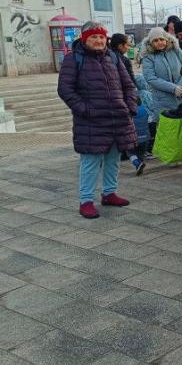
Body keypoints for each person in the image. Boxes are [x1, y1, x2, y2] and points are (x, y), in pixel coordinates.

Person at [57, 22, 138, 219]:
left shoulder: (114, 57)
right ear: (85, 39)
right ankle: (86, 201)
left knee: (113, 158)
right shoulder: (73, 59)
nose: (99, 41)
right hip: (91, 121)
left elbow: (129, 85)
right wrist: (85, 109)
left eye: (102, 37)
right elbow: (65, 89)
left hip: (117, 118)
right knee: (90, 161)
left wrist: (130, 107)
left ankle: (109, 193)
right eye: (94, 37)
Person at [141, 27, 182, 150]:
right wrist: (173, 88)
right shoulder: (148, 57)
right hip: (163, 100)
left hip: (181, 96)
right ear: (151, 43)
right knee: (167, 130)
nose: (159, 42)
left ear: (166, 39)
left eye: (161, 39)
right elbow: (151, 78)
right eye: (155, 40)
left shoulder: (175, 50)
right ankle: (169, 155)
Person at [110, 33, 146, 175]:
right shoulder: (123, 60)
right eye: (127, 44)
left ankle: (134, 160)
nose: (129, 46)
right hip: (123, 100)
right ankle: (135, 159)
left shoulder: (106, 57)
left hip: (112, 101)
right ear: (120, 46)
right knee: (125, 131)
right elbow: (130, 81)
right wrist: (136, 97)